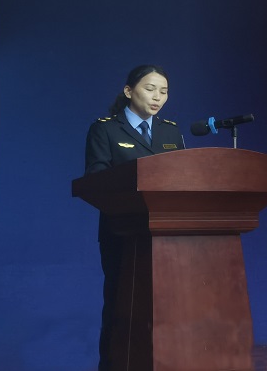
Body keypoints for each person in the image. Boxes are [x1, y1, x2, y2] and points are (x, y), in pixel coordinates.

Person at [84, 64, 184, 371]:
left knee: (167, 309)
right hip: (123, 235)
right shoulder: (105, 129)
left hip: (168, 234)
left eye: (164, 91)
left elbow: (185, 177)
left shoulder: (170, 130)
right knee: (121, 307)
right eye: (150, 89)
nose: (157, 97)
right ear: (129, 91)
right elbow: (97, 181)